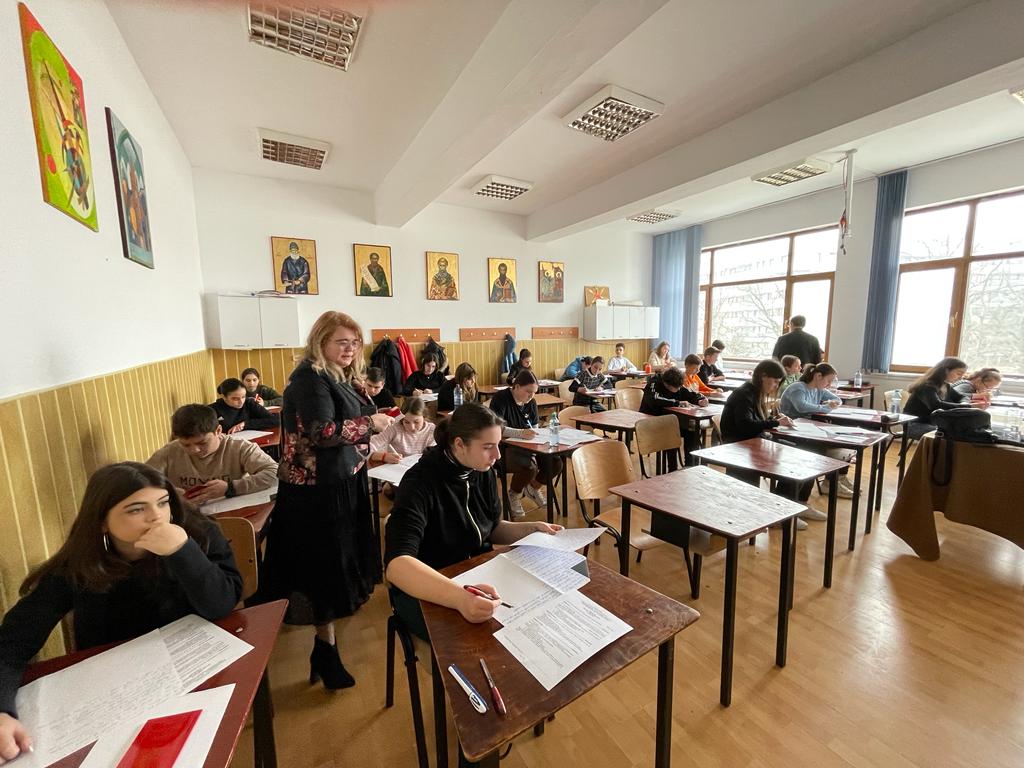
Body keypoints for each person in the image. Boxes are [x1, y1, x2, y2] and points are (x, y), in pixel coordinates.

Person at [0, 463, 242, 759]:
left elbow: (221, 604)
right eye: (136, 509)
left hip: (196, 676)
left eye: (163, 503)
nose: (157, 517)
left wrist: (183, 552)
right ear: (102, 521)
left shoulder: (197, 534)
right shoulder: (81, 564)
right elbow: (12, 641)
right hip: (116, 693)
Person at [259, 311, 394, 690]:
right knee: (323, 571)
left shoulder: (336, 375)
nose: (350, 349)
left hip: (340, 481)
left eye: (354, 342)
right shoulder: (308, 379)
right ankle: (325, 650)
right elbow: (322, 431)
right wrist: (372, 424)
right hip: (314, 492)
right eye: (341, 342)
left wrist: (368, 405)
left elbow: (344, 416)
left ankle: (325, 649)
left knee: (335, 568)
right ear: (321, 341)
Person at [384, 403, 562, 639]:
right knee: (489, 640)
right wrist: (459, 597)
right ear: (459, 444)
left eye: (498, 445)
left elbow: (492, 527)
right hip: (432, 584)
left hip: (477, 574)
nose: (497, 456)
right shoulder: (419, 482)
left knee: (536, 617)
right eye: (488, 447)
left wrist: (532, 529)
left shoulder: (482, 470)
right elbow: (397, 566)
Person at [720, 360, 813, 523]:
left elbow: (756, 420)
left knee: (804, 454)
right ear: (763, 376)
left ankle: (792, 505)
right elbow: (746, 425)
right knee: (792, 461)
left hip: (752, 442)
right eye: (775, 381)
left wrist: (774, 418)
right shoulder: (744, 394)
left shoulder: (755, 392)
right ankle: (781, 512)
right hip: (739, 446)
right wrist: (776, 423)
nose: (776, 386)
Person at [147, 404, 277, 503]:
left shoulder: (239, 447)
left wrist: (230, 488)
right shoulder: (170, 451)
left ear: (218, 431)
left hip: (230, 512)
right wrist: (169, 493)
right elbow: (140, 481)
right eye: (186, 444)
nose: (194, 450)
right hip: (187, 520)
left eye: (202, 443)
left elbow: (274, 473)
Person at [488, 370, 560, 518]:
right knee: (529, 467)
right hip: (504, 448)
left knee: (555, 462)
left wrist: (534, 433)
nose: (531, 396)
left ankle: (533, 487)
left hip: (528, 445)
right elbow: (496, 428)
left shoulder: (531, 402)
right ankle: (514, 493)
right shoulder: (500, 399)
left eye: (534, 393)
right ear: (517, 386)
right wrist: (520, 433)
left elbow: (534, 426)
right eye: (528, 392)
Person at [779, 363, 854, 501]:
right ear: (818, 376)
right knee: (817, 450)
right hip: (792, 430)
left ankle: (834, 480)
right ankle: (806, 495)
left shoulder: (818, 389)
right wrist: (825, 407)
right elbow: (801, 407)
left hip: (809, 428)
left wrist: (830, 404)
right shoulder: (798, 387)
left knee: (845, 441)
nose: (829, 384)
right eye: (828, 380)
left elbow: (838, 400)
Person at [640, 366, 708, 467]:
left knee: (692, 430)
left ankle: (691, 465)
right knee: (671, 432)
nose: (677, 390)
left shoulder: (677, 384)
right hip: (651, 421)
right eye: (674, 388)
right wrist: (677, 403)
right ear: (665, 383)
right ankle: (672, 468)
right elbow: (654, 400)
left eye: (678, 388)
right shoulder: (654, 382)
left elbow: (689, 394)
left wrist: (700, 399)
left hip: (670, 421)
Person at [903, 357, 975, 440]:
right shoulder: (927, 385)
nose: (961, 377)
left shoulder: (946, 385)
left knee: (963, 431)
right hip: (914, 424)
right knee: (952, 434)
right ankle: (934, 453)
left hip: (932, 423)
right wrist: (969, 407)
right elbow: (936, 405)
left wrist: (964, 404)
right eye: (959, 373)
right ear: (946, 370)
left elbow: (962, 397)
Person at [370, 397, 436, 464]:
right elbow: (368, 446)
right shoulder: (395, 427)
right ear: (402, 419)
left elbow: (435, 455)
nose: (412, 427)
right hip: (397, 469)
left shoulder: (432, 430)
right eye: (406, 422)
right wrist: (383, 456)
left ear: (424, 417)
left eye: (416, 422)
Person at [210, 378, 278, 433]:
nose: (241, 402)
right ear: (224, 397)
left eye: (243, 397)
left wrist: (245, 424)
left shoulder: (249, 403)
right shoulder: (212, 409)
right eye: (235, 399)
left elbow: (275, 420)